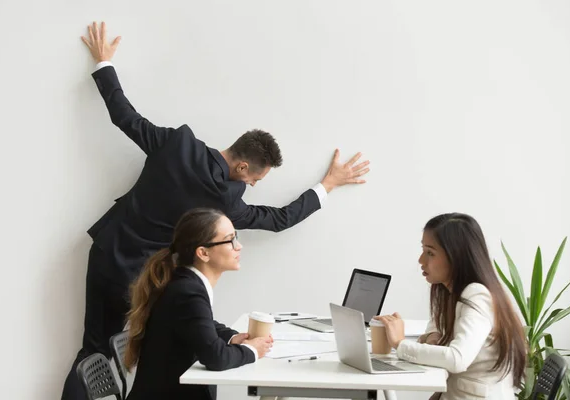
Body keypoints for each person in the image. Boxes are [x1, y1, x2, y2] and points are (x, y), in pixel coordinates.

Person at [62, 21, 370, 399]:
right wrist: (328, 184)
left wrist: (103, 64)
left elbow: (125, 116)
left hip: (107, 253)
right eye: (255, 180)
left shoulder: (176, 143)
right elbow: (278, 219)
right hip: (145, 278)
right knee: (170, 354)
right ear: (242, 168)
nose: (252, 187)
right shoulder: (224, 204)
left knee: (92, 351)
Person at [123, 208, 271, 399]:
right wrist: (252, 350)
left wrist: (233, 338)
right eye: (231, 239)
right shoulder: (187, 292)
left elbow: (201, 323)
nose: (239, 246)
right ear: (203, 253)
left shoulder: (185, 283)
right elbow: (215, 358)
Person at [375, 213, 526, 400]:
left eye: (430, 252)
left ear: (456, 256)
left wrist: (399, 343)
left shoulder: (477, 295)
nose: (421, 260)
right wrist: (432, 335)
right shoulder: (451, 291)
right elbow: (437, 323)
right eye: (423, 250)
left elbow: (457, 359)